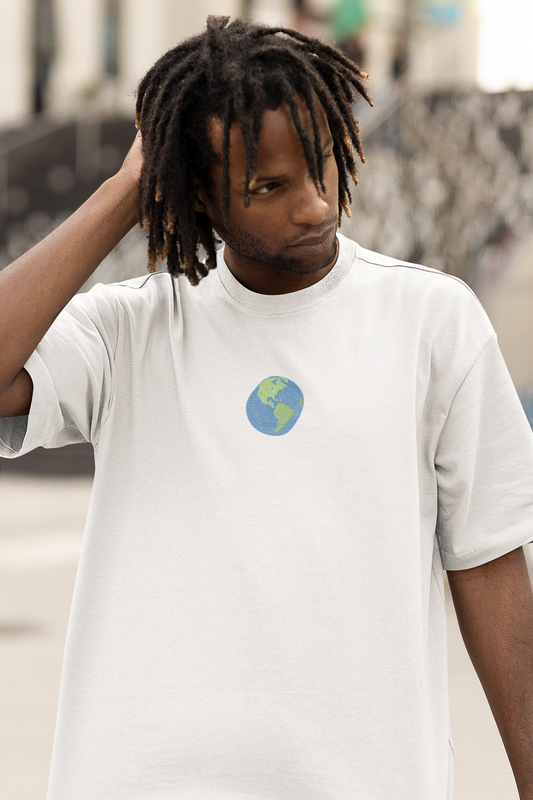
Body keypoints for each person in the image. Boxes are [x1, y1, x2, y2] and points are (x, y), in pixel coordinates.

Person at [0, 15, 532, 800]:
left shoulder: (430, 321)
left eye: (320, 166)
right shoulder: (130, 328)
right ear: (198, 198)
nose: (316, 206)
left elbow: (489, 568)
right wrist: (123, 194)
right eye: (269, 187)